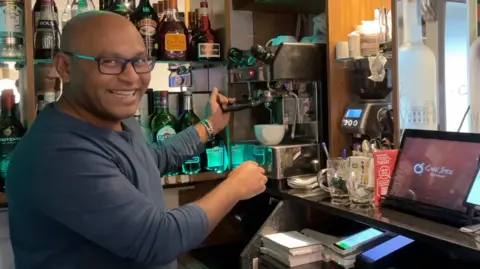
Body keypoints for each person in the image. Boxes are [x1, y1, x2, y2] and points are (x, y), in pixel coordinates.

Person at [7, 11, 267, 269]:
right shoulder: (58, 153)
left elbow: (150, 159)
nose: (131, 77)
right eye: (109, 61)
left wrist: (211, 125)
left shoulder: (113, 117)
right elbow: (157, 240)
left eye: (140, 60)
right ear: (64, 67)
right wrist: (234, 188)